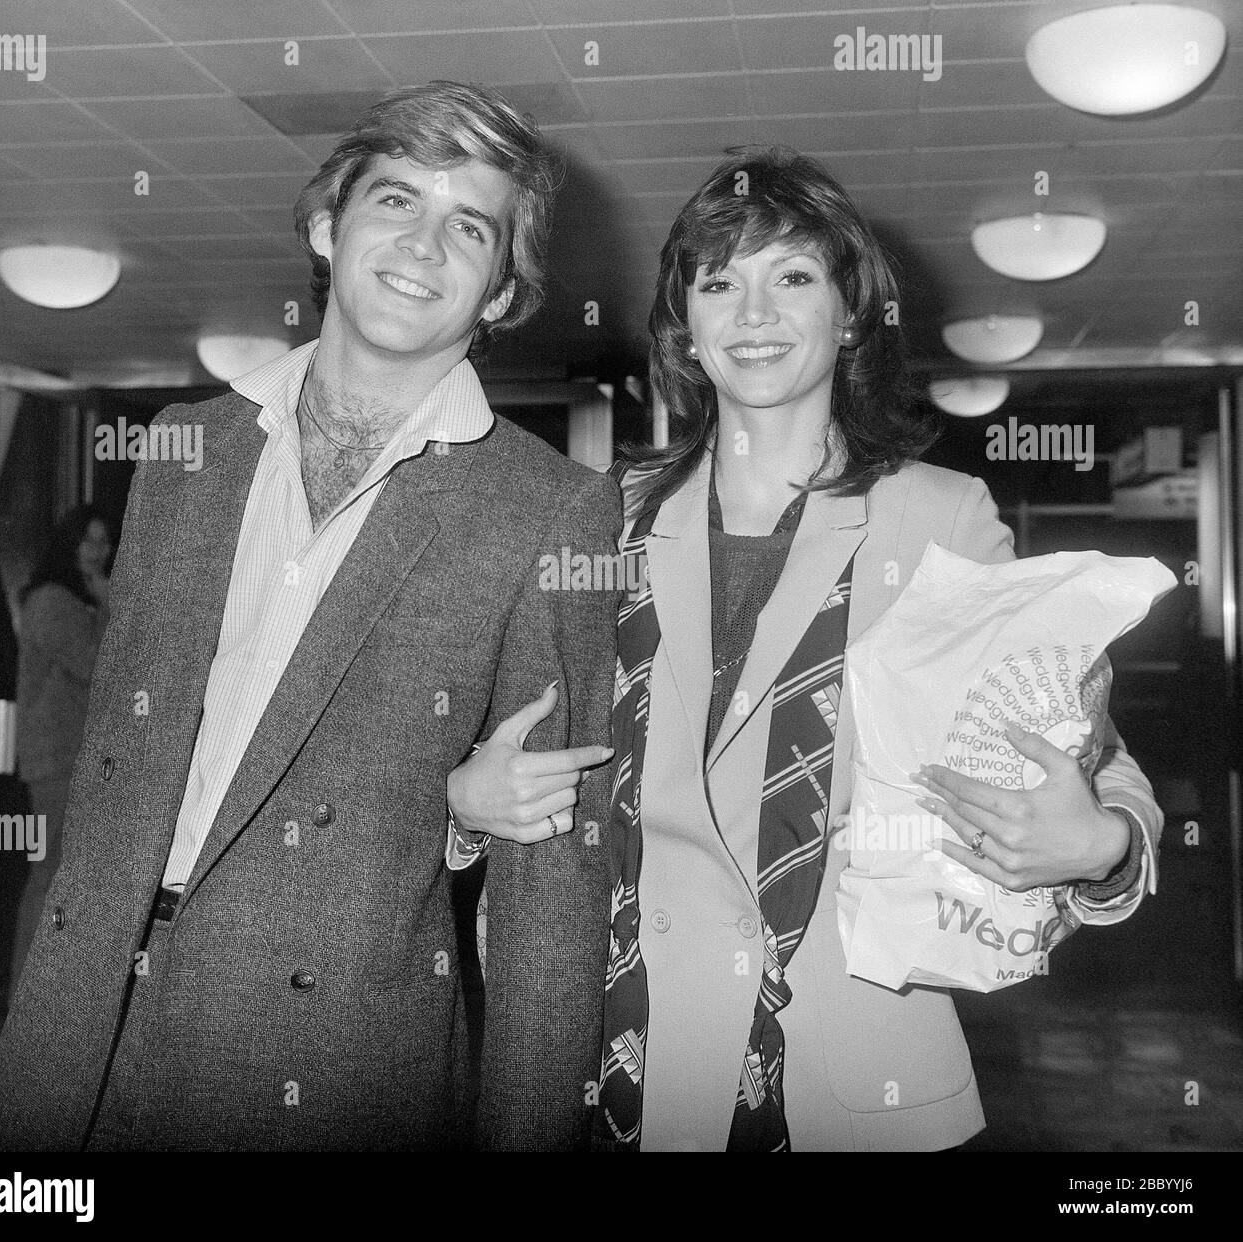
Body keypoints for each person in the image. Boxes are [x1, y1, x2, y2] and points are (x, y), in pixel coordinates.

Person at [445, 146, 1163, 1152]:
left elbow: (1089, 748)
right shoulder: (601, 518)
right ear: (684, 330)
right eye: (718, 282)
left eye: (792, 276)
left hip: (856, 1067)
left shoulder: (937, 518)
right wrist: (467, 808)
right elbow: (502, 738)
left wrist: (1104, 848)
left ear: (851, 311)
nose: (753, 313)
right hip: (616, 1051)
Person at [0, 81, 620, 1152]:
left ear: (502, 292)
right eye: (395, 200)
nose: (422, 243)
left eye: (470, 227)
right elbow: (121, 771)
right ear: (328, 225)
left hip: (332, 1058)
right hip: (85, 1024)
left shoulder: (548, 509)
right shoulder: (185, 453)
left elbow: (550, 886)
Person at [8, 506, 113, 999]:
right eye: (89, 540)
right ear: (68, 544)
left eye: (104, 541)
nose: (100, 550)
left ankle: (40, 998)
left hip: (65, 756)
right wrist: (106, 599)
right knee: (50, 873)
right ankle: (24, 999)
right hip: (57, 757)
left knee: (58, 874)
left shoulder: (61, 599)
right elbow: (95, 664)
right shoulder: (54, 600)